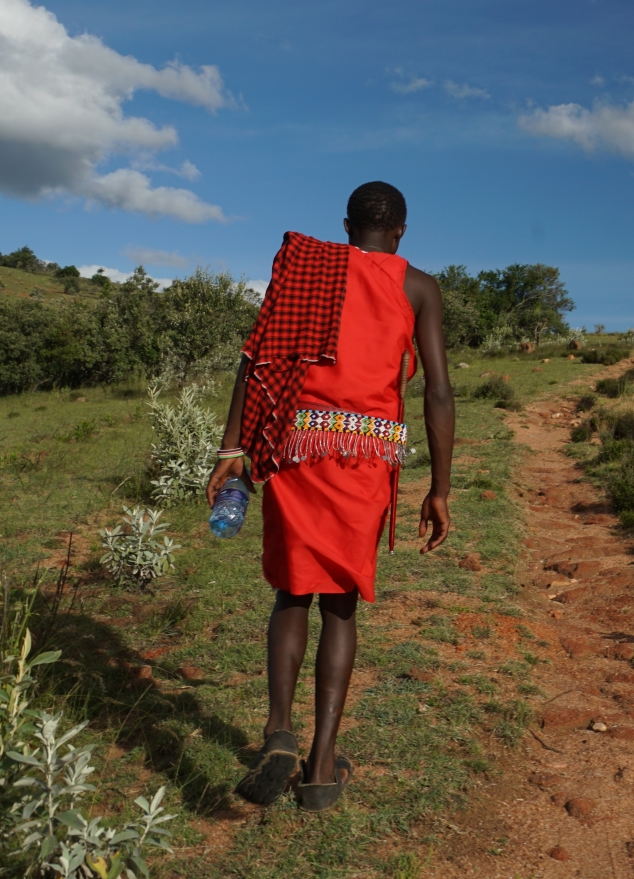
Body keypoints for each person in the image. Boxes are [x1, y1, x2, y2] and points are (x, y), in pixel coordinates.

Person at [204, 181, 455, 811]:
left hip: (297, 446)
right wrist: (441, 489)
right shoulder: (418, 286)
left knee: (293, 591)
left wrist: (232, 449)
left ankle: (278, 732)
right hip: (364, 459)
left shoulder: (308, 269)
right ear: (401, 231)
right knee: (339, 605)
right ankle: (320, 769)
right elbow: (439, 392)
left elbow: (255, 358)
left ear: (347, 227)